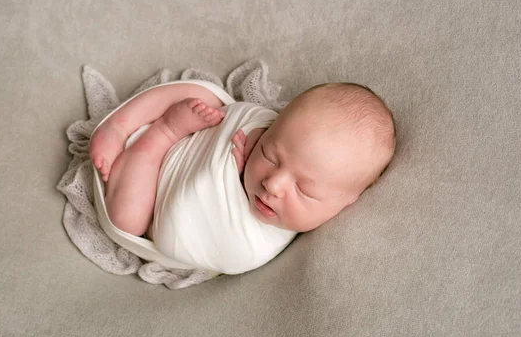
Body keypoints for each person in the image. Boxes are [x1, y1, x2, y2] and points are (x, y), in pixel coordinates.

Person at [89, 81, 396, 238]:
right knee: (204, 93)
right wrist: (253, 142)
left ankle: (161, 135)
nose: (273, 183)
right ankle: (119, 125)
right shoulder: (270, 134)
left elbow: (201, 228)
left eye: (303, 190)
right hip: (198, 132)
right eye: (271, 155)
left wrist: (231, 186)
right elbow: (245, 125)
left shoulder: (257, 240)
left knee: (127, 220)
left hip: (156, 187)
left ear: (347, 202)